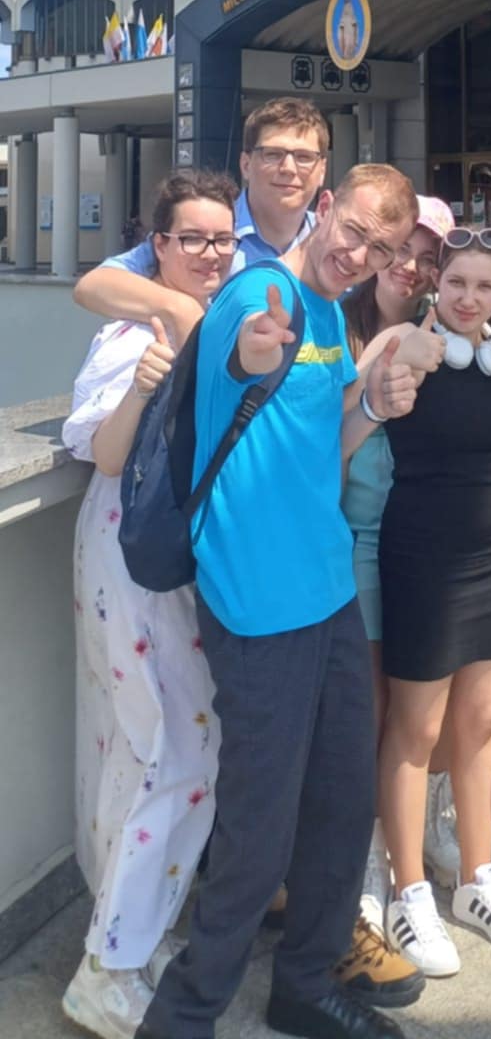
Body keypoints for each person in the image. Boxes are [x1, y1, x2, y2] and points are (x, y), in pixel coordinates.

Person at [137, 163, 426, 1039]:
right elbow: (239, 354)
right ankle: (184, 1016)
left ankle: (303, 984)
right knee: (259, 827)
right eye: (356, 231)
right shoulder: (255, 294)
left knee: (342, 802)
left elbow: (325, 445)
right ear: (325, 208)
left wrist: (376, 407)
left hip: (329, 591)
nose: (360, 254)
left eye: (382, 249)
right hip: (257, 602)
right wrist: (253, 352)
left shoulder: (332, 315)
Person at [61, 170, 240, 1039]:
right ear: (158, 246)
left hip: (182, 563)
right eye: (191, 238)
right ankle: (107, 968)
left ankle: (136, 938)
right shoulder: (133, 331)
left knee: (182, 750)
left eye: (222, 239)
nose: (209, 253)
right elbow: (103, 454)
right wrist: (140, 383)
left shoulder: (220, 318)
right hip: (129, 556)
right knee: (159, 752)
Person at [377, 227, 491, 978]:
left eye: (484, 286)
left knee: (480, 722)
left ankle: (478, 878)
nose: (468, 298)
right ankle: (407, 889)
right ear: (435, 285)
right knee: (416, 728)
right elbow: (350, 416)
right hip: (422, 556)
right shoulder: (404, 346)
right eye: (456, 283)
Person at [342, 198, 460, 912]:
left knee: (431, 705)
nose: (411, 268)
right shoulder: (338, 324)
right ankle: (360, 856)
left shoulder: (446, 333)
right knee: (369, 703)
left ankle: (423, 828)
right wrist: (383, 356)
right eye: (399, 251)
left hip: (425, 540)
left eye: (427, 258)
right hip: (354, 537)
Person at [74, 100, 330, 342]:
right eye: (272, 154)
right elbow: (93, 286)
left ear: (322, 171)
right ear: (245, 164)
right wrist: (182, 310)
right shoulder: (206, 230)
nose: (288, 168)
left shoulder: (333, 242)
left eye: (304, 157)